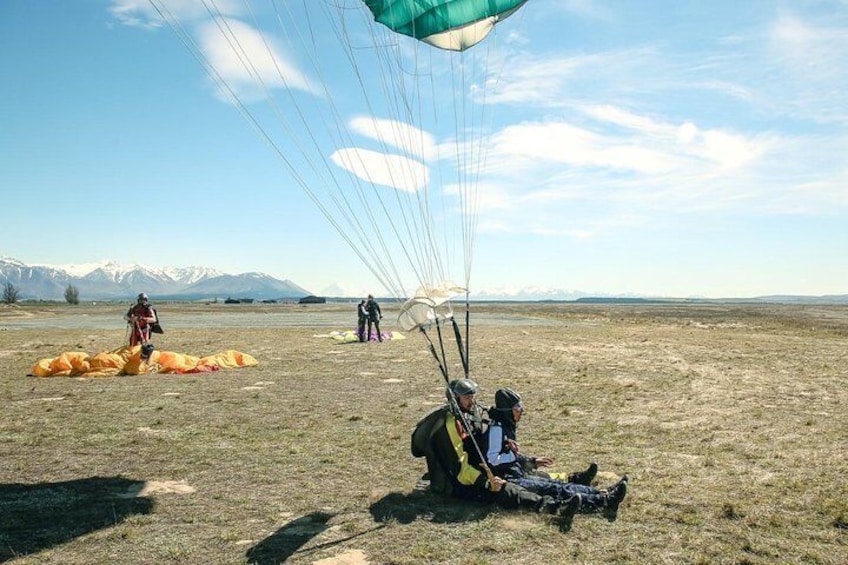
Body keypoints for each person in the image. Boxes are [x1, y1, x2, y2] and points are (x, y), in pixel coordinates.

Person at [412, 378, 580, 531]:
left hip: (477, 471)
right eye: (467, 398)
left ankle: (571, 481)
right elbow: (460, 471)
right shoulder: (449, 425)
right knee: (508, 490)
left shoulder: (466, 416)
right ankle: (556, 509)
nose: (472, 402)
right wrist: (487, 483)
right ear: (455, 399)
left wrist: (526, 460)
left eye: (472, 397)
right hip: (457, 485)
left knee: (521, 475)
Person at [484, 388, 629, 521]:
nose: (521, 410)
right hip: (510, 479)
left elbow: (508, 453)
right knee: (555, 490)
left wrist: (532, 461)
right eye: (518, 408)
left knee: (556, 484)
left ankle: (601, 493)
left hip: (517, 473)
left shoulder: (506, 424)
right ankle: (604, 502)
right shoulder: (497, 429)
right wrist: (514, 455)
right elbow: (493, 460)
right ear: (508, 410)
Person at [124, 293, 157, 358]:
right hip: (135, 329)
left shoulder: (148, 308)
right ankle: (133, 358)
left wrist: (143, 318)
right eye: (141, 300)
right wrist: (131, 319)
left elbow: (154, 319)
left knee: (145, 346)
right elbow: (125, 316)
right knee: (132, 345)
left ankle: (146, 360)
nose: (142, 301)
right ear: (138, 300)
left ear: (146, 300)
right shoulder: (134, 308)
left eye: (144, 300)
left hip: (144, 329)